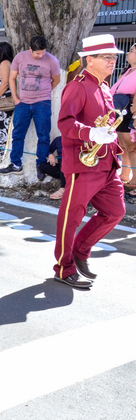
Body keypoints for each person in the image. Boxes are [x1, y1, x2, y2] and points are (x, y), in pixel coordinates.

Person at [53, 34, 127, 289]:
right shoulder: (78, 85)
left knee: (116, 212)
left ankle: (80, 252)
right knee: (71, 217)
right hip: (84, 165)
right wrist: (90, 133)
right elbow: (65, 123)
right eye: (107, 56)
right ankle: (63, 267)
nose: (113, 60)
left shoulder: (105, 86)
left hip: (107, 164)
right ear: (90, 59)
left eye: (114, 56)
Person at [0, 35, 61, 174]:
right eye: (37, 53)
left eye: (43, 52)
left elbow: (56, 80)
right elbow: (12, 78)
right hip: (22, 103)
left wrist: (45, 92)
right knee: (18, 134)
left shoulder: (52, 60)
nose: (40, 55)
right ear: (30, 49)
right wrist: (15, 98)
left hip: (43, 103)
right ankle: (15, 164)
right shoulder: (20, 57)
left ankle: (41, 165)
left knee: (44, 135)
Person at [111, 44, 136, 198]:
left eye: (132, 51)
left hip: (130, 110)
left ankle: (135, 180)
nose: (129, 53)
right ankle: (125, 175)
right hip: (120, 110)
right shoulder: (127, 71)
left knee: (132, 147)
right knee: (123, 146)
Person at [38, 135, 65, 200]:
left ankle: (63, 188)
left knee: (63, 160)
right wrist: (50, 154)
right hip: (61, 168)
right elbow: (49, 150)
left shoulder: (75, 139)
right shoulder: (58, 139)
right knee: (42, 166)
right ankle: (63, 176)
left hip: (71, 166)